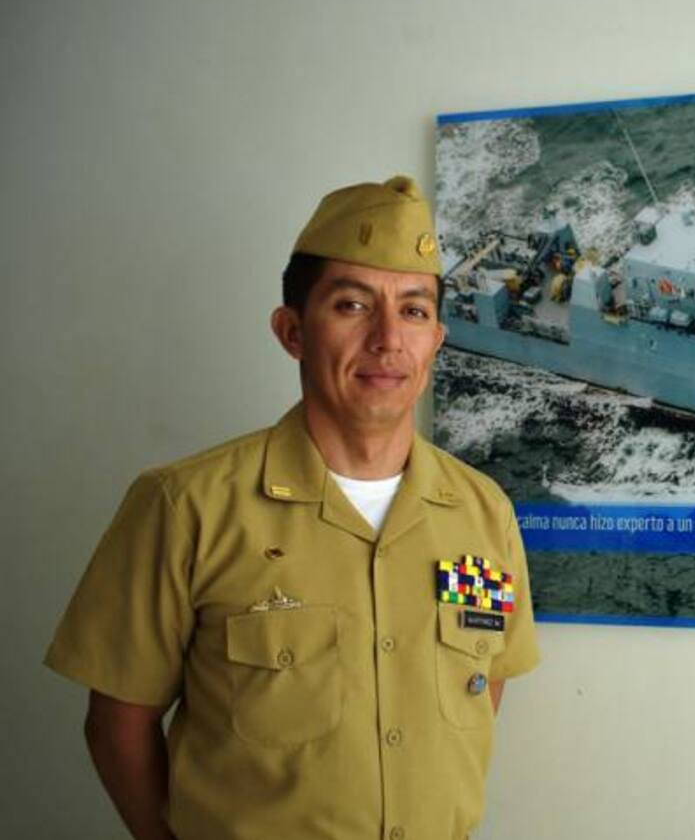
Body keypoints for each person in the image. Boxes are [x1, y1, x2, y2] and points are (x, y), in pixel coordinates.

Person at [44, 176, 539, 840]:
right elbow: (117, 723)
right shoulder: (185, 507)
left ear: (436, 341)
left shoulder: (484, 513)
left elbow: (485, 686)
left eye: (414, 310)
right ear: (292, 331)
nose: (388, 339)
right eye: (353, 305)